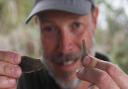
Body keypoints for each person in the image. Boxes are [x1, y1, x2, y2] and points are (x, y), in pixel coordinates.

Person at [0, 0, 128, 89]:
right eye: (50, 28)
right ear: (37, 24)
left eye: (76, 25)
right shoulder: (17, 83)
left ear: (94, 19)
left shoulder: (121, 81)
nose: (65, 48)